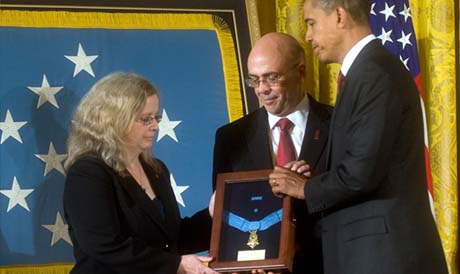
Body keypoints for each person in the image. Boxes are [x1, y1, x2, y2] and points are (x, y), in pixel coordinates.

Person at [269, 1, 449, 274]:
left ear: (339, 15)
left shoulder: (374, 73)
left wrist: (303, 188)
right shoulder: (364, 73)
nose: (308, 36)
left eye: (311, 23)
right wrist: (311, 177)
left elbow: (360, 172)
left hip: (385, 259)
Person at [63, 72, 219, 274]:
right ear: (114, 121)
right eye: (146, 119)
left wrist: (212, 216)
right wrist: (176, 265)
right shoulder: (88, 174)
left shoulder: (156, 169)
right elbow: (105, 247)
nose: (155, 126)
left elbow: (170, 241)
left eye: (156, 117)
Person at [212, 32, 332, 274]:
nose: (262, 90)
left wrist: (307, 187)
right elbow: (226, 216)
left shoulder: (339, 124)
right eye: (255, 80)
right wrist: (246, 262)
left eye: (271, 78)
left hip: (331, 264)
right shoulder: (231, 138)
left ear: (300, 72)